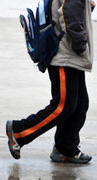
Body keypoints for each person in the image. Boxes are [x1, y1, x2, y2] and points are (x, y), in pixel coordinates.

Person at [6, 0, 96, 164]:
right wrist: (81, 46)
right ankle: (19, 131)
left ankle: (65, 147)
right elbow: (70, 15)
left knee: (79, 105)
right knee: (63, 106)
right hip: (65, 55)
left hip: (69, 55)